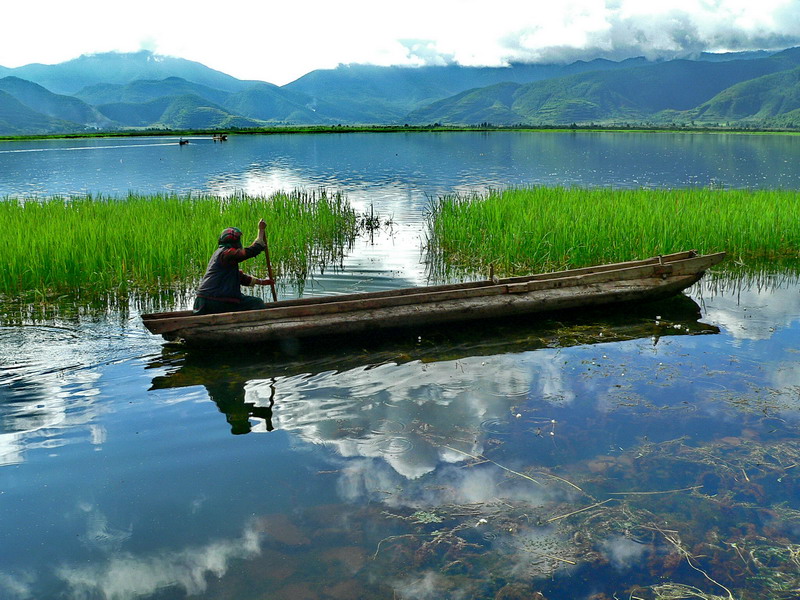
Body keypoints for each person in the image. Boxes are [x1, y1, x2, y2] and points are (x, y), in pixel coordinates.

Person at [193, 219, 274, 315]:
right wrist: (261, 231)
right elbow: (247, 252)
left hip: (204, 302)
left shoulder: (220, 254)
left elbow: (238, 277)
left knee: (250, 301)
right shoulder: (226, 253)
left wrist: (261, 282)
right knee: (257, 303)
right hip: (215, 301)